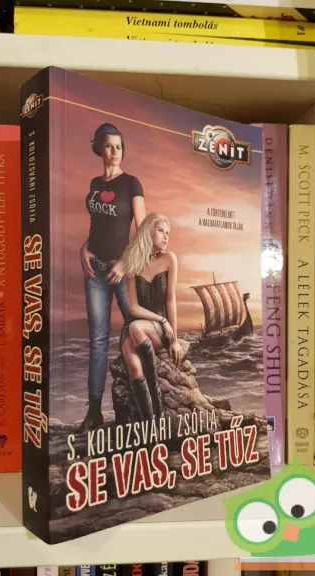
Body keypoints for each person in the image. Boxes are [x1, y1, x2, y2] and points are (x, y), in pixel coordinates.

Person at [78, 123, 146, 432]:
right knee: (98, 341)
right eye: (108, 146)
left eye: (119, 146)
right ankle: (94, 413)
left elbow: (142, 232)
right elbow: (98, 227)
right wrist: (84, 248)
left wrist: (125, 263)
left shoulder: (131, 183)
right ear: (99, 148)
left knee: (138, 329)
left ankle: (146, 407)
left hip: (123, 271)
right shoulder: (95, 183)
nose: (115, 151)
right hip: (95, 271)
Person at [118, 213, 183, 420]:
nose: (166, 236)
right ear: (148, 232)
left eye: (168, 233)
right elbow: (134, 308)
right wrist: (161, 319)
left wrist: (174, 339)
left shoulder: (170, 259)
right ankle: (150, 423)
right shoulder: (133, 261)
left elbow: (170, 300)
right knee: (134, 366)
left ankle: (158, 408)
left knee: (136, 328)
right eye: (161, 230)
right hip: (140, 324)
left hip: (158, 330)